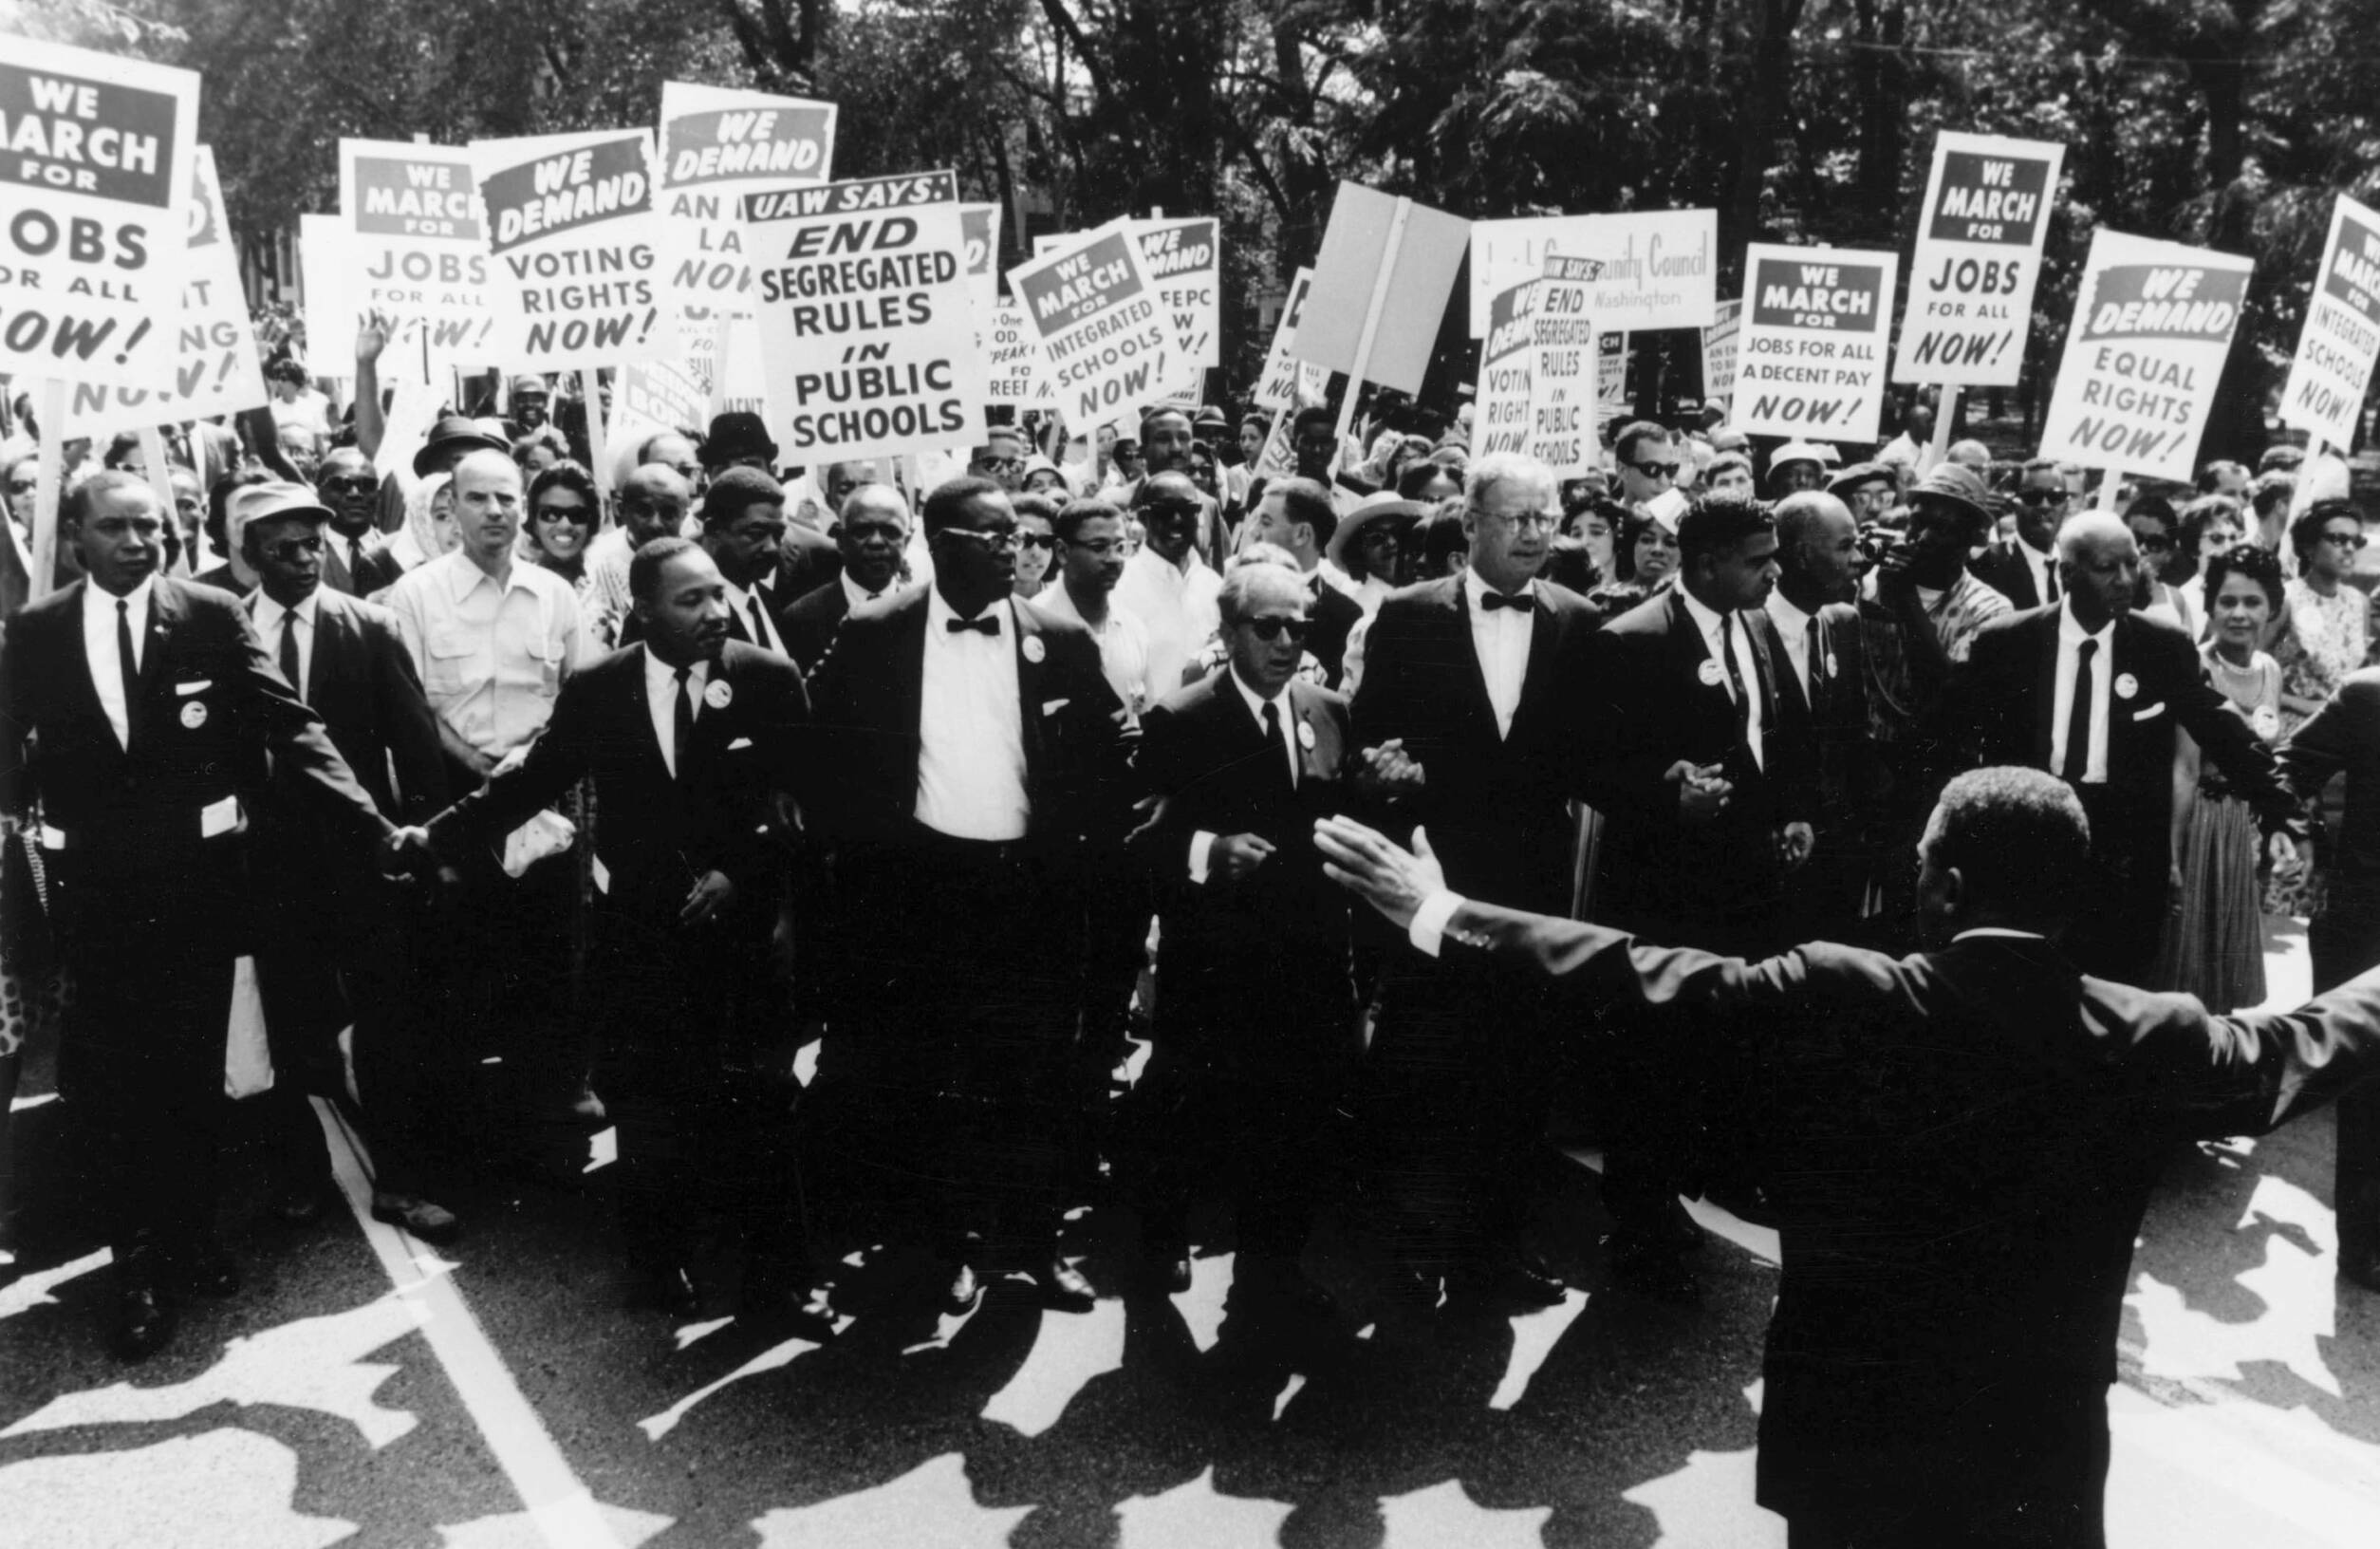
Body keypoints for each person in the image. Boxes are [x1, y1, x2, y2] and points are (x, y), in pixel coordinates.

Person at [1313, 765, 2380, 1549]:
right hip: (2036, 1438)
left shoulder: (1842, 995)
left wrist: (1439, 914)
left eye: (1922, 864)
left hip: (1853, 1432)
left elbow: (1630, 976)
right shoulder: (2155, 1035)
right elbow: (2306, 1044)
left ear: (1948, 888)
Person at [0, 473, 404, 1359]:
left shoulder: (211, 616)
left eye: (153, 527)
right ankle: (135, 1261)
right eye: (116, 529)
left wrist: (371, 822)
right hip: (96, 898)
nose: (139, 543)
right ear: (74, 539)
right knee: (113, 1079)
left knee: (190, 1068)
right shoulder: (33, 633)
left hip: (198, 888)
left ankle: (187, 1234)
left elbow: (291, 724)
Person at [400, 537, 829, 1330]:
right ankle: (658, 1267)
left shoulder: (767, 677)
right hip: (644, 938)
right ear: (643, 609)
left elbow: (803, 802)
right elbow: (534, 777)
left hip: (742, 939)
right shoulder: (601, 687)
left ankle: (781, 1279)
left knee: (762, 1105)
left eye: (716, 596)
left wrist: (742, 873)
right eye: (690, 600)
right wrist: (439, 834)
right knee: (651, 1108)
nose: (715, 612)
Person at [803, 476, 1128, 1315]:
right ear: (940, 542)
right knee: (934, 1076)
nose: (1015, 551)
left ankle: (1037, 1244)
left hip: (1030, 890)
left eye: (1020, 539)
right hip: (923, 889)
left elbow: (1113, 735)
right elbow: (817, 742)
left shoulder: (1054, 631)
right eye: (995, 538)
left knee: (1035, 1074)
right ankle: (948, 1245)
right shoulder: (875, 631)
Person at [1348, 451, 1597, 1307]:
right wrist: (1387, 773)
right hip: (1433, 879)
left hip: (1530, 886)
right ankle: (1412, 1243)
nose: (1535, 534)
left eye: (1546, 519)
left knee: (1518, 1063)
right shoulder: (1410, 618)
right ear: (1471, 526)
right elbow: (1371, 745)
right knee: (1426, 1063)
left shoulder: (1578, 619)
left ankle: (1496, 1246)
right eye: (1516, 519)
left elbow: (1596, 757)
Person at [1580, 489, 1817, 1297]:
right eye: (1758, 561)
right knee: (1651, 1053)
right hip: (1664, 891)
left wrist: (1791, 815)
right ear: (1706, 562)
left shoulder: (1755, 627)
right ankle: (1638, 1218)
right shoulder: (1632, 640)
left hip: (1746, 885)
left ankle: (1699, 1184)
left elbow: (1776, 734)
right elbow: (1589, 766)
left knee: (1723, 1043)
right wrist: (1664, 792)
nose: (1772, 573)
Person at [1128, 560, 1358, 1315]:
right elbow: (1138, 842)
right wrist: (1206, 851)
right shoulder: (1182, 717)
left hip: (1310, 958)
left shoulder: (1329, 709)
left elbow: (1340, 821)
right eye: (1269, 627)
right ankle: (1159, 1236)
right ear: (1228, 634)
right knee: (1187, 1107)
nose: (1288, 641)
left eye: (1301, 626)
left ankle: (1271, 1269)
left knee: (1295, 1120)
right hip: (1215, 959)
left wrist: (1383, 788)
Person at [233, 481, 456, 1242]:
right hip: (269, 867)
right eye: (282, 548)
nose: (302, 560)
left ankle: (400, 1180)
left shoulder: (369, 626)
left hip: (366, 861)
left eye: (312, 545)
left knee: (390, 1023)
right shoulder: (221, 632)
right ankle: (302, 1176)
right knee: (292, 1024)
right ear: (249, 553)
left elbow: (417, 753)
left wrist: (423, 848)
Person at [1948, 513, 2297, 983]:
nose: (2126, 580)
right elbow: (1952, 738)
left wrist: (2282, 809)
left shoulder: (2161, 646)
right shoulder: (2009, 642)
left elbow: (2221, 727)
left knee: (2115, 995)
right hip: (2028, 837)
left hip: (2124, 855)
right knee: (2018, 990)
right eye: (2107, 568)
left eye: (2132, 565)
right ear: (2066, 573)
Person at [382, 449, 596, 1163]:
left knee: (547, 961)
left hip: (543, 802)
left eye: (508, 499)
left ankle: (550, 1106)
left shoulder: (555, 595)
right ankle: (466, 1128)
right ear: (452, 509)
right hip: (459, 800)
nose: (496, 513)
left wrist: (534, 768)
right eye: (479, 500)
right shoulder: (415, 595)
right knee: (459, 967)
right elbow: (411, 706)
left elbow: (579, 692)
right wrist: (482, 773)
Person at [2279, 663, 2380, 1293]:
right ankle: (2365, 1247)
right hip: (2368, 924)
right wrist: (2305, 835)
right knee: (2371, 1096)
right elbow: (2289, 769)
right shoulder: (2370, 694)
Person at [2153, 544, 2284, 1014]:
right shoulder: (2197, 668)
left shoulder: (2270, 669)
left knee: (2223, 962)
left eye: (2252, 602)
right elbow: (2185, 768)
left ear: (2273, 607)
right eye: (2227, 602)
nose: (2239, 614)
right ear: (2209, 606)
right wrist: (2172, 853)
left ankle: (2213, 1066)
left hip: (2238, 825)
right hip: (2198, 822)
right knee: (2185, 956)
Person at [1767, 492, 1872, 941]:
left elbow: (1851, 741)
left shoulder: (1843, 622)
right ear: (1802, 556)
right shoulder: (1747, 626)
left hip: (1837, 860)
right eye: (1845, 546)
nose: (1860, 559)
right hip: (1773, 858)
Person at [1030, 497, 1153, 715]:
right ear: (1063, 552)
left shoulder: (1133, 627)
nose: (1113, 558)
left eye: (1121, 547)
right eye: (1099, 547)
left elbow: (1142, 712)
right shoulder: (1032, 623)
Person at [1239, 476, 1366, 685]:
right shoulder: (1236, 594)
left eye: (1265, 522)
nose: (1253, 531)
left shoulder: (1343, 617)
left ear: (1302, 534)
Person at [778, 482, 910, 676]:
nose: (876, 542)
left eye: (890, 532)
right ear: (840, 540)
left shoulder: (923, 613)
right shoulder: (799, 620)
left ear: (906, 541)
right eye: (862, 532)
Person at [1113, 472, 1223, 695]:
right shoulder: (1120, 587)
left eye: (1187, 510)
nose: (1177, 520)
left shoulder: (1214, 586)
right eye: (1164, 511)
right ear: (1144, 518)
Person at [586, 462, 696, 640]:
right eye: (644, 512)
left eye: (668, 514)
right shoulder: (596, 561)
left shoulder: (697, 564)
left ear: (684, 516)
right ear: (621, 511)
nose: (656, 524)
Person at [1972, 456, 2069, 610]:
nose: (2045, 506)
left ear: (2066, 504)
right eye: (2033, 497)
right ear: (2015, 503)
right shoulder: (1989, 564)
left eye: (2055, 497)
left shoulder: (2078, 567)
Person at [315, 447, 400, 596]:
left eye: (367, 485)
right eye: (341, 485)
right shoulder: (308, 553)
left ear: (378, 495)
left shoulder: (397, 551)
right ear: (320, 493)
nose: (355, 494)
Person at [522, 460, 602, 610]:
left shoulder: (607, 581)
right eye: (551, 514)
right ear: (533, 522)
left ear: (591, 523)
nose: (565, 525)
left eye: (577, 515)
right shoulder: (520, 587)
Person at [1611, 420, 1681, 512]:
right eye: (1653, 469)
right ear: (1622, 471)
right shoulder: (1604, 523)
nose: (1664, 481)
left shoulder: (1683, 523)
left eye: (1670, 469)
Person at [1010, 491, 1059, 599]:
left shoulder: (1066, 603)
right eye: (1025, 540)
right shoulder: (980, 606)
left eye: (1046, 541)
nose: (1036, 552)